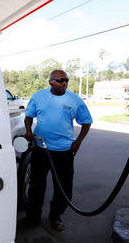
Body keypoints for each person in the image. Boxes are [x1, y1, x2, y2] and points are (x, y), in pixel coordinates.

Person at [24, 69, 92, 230]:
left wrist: (78, 142)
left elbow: (86, 122)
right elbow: (28, 117)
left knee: (64, 189)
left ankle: (55, 216)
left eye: (66, 80)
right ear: (51, 82)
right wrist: (28, 131)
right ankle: (33, 218)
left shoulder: (74, 99)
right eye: (60, 80)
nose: (64, 83)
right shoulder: (39, 96)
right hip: (41, 149)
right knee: (36, 186)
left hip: (64, 151)